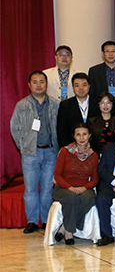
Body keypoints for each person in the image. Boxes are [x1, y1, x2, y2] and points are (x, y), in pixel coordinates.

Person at [10, 71, 60, 233]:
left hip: (51, 152)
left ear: (47, 84)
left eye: (42, 82)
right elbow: (14, 128)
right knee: (30, 189)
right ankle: (32, 220)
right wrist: (24, 146)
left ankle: (46, 220)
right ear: (29, 85)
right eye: (35, 82)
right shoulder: (22, 105)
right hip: (30, 153)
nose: (39, 85)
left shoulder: (55, 104)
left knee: (47, 189)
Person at [51, 123, 99, 245]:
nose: (81, 138)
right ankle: (69, 233)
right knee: (71, 197)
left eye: (84, 134)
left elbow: (95, 179)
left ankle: (64, 227)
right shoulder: (64, 151)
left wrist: (85, 187)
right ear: (74, 136)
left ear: (89, 135)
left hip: (83, 188)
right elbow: (57, 175)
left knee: (89, 198)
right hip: (63, 188)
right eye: (78, 135)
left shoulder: (93, 155)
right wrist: (70, 187)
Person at [56, 72, 99, 147]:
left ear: (89, 86)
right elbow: (62, 130)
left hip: (94, 147)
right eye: (77, 85)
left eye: (84, 85)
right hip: (72, 148)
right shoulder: (65, 105)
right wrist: (65, 149)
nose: (81, 88)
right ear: (73, 88)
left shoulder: (97, 104)